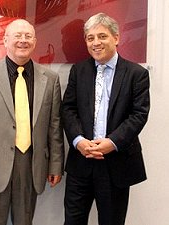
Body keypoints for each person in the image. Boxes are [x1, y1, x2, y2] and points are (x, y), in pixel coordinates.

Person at [0, 19, 64, 225]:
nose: (23, 40)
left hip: (31, 164)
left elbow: (55, 126)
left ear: (35, 42)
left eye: (28, 36)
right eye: (17, 36)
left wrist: (56, 164)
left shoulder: (50, 79)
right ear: (5, 40)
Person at [61, 12, 150, 225]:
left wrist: (112, 143)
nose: (96, 43)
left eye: (102, 36)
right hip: (81, 162)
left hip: (116, 164)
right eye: (90, 38)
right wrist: (78, 141)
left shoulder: (136, 74)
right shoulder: (79, 71)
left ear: (116, 38)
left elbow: (139, 115)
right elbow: (68, 109)